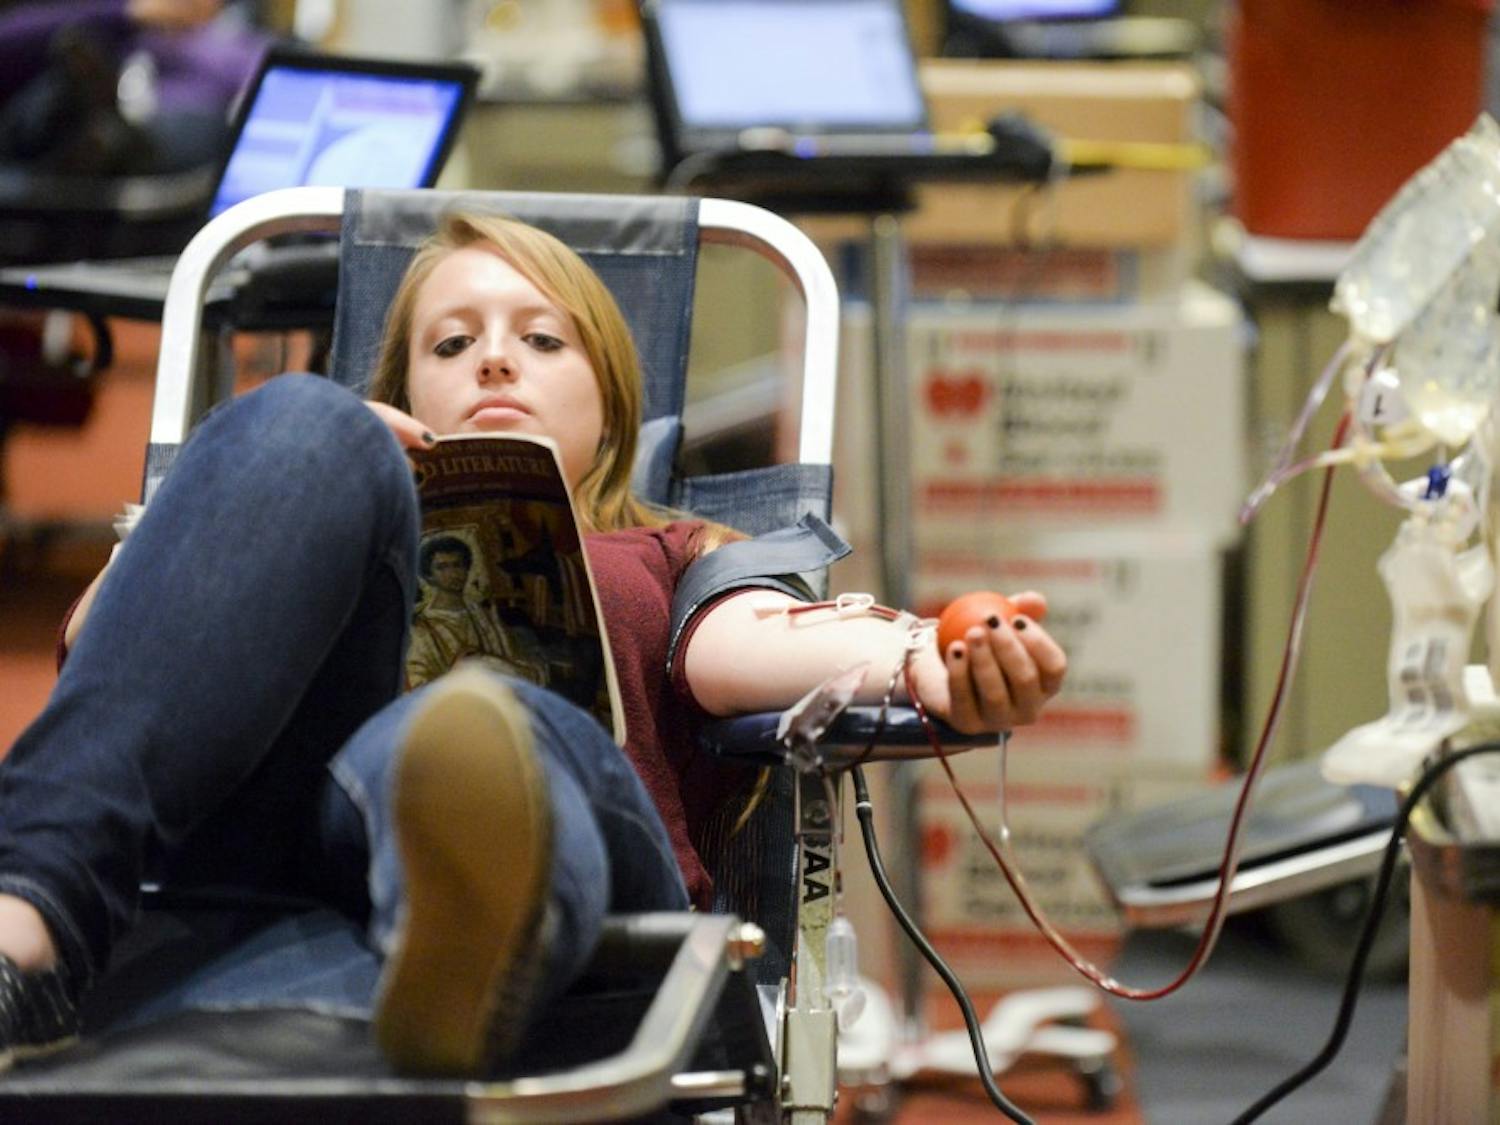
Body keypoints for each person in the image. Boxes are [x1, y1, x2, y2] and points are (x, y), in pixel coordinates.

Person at [0, 211, 1067, 1077]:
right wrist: (283, 474)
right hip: (276, 870)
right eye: (452, 344)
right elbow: (107, 657)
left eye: (542, 340)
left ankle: (472, 939)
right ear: (407, 392)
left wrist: (936, 664)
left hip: (587, 886)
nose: (496, 359)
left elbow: (768, 644)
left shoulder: (670, 548)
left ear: (610, 402)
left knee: (475, 720)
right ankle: (22, 933)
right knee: (293, 423)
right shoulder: (334, 500)